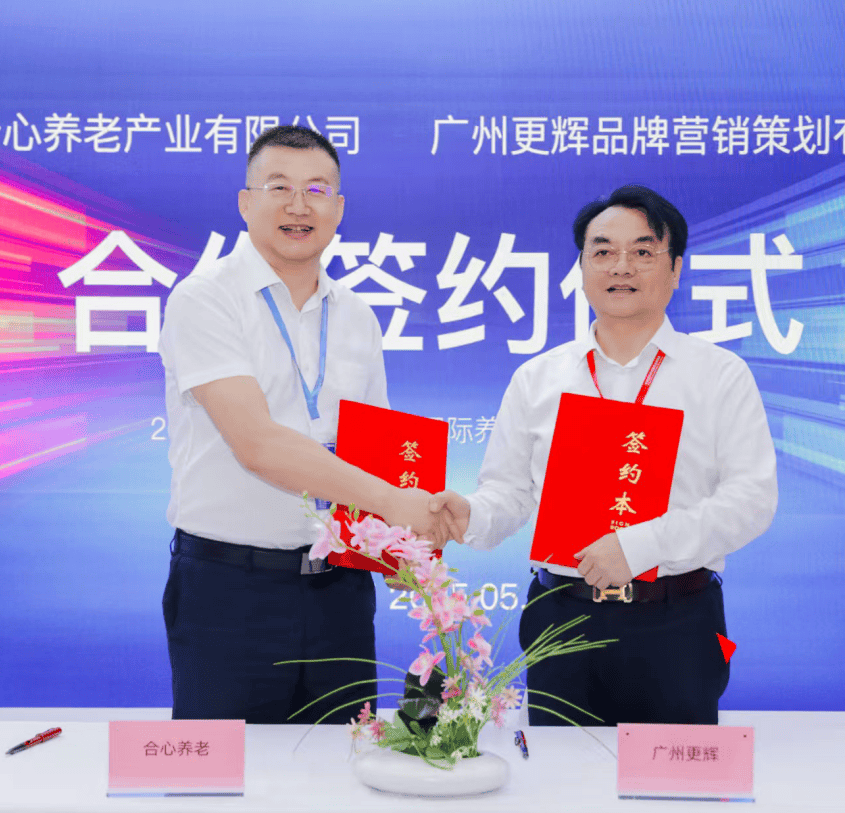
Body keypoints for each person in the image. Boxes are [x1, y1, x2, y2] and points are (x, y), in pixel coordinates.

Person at [432, 185, 777, 726]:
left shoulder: (720, 375)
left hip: (676, 622)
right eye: (603, 251)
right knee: (562, 775)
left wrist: (641, 546)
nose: (621, 266)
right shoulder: (539, 377)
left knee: (673, 776)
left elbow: (751, 500)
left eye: (643, 251)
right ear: (581, 267)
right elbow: (510, 491)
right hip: (561, 618)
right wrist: (469, 514)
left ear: (676, 269)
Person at [159, 125, 450, 722]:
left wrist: (404, 548)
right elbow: (258, 445)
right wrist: (396, 502)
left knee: (342, 767)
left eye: (317, 189)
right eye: (279, 187)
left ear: (339, 208)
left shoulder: (357, 315)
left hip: (339, 592)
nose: (299, 205)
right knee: (230, 773)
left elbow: (376, 452)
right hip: (229, 589)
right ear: (246, 202)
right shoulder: (206, 298)